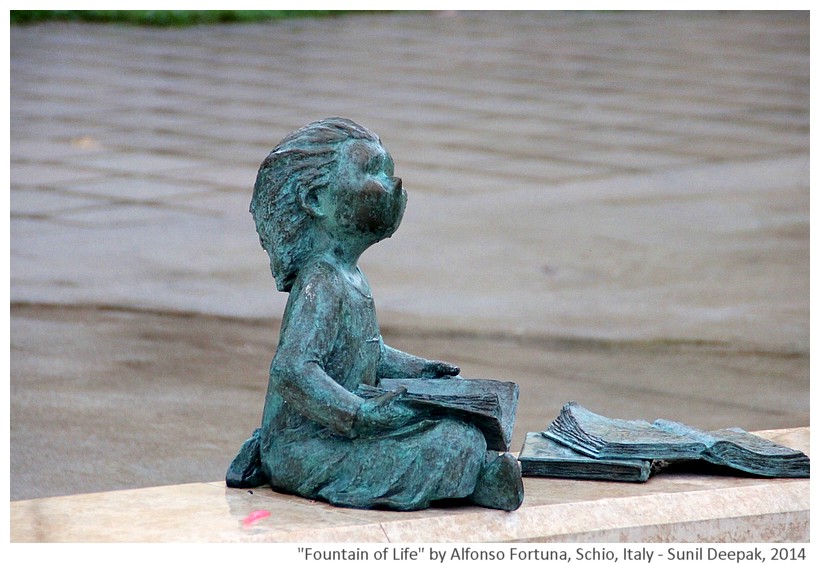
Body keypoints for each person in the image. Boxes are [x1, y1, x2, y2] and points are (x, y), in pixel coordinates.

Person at [227, 117, 523, 511]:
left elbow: (369, 351)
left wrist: (420, 370)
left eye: (389, 172)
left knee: (461, 435)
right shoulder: (321, 282)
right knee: (447, 445)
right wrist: (359, 414)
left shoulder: (350, 276)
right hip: (307, 446)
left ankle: (478, 475)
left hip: (343, 433)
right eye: (372, 173)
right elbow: (292, 370)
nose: (393, 187)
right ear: (316, 200)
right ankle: (480, 479)